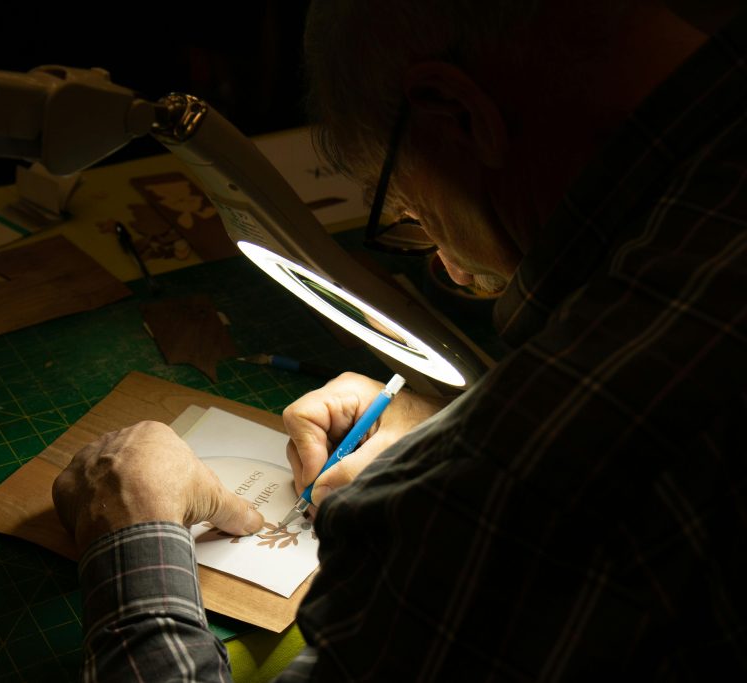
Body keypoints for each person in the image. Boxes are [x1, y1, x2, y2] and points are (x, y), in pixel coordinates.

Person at [52, 0, 747, 679]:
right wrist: (456, 417)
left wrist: (134, 543)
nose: (449, 268)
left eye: (412, 212)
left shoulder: (525, 479)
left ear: (456, 113)